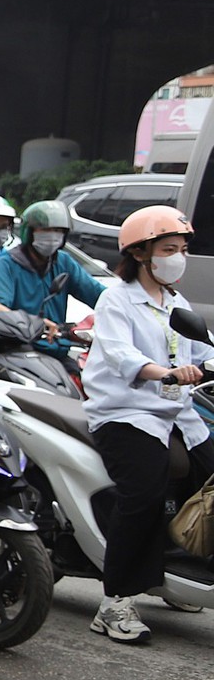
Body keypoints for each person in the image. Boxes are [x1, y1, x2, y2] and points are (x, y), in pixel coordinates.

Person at [83, 205, 213, 643]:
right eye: (169, 249)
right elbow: (121, 355)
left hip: (179, 413)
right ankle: (114, 600)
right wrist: (164, 373)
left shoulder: (177, 302)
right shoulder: (117, 299)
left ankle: (175, 572)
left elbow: (199, 353)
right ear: (141, 253)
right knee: (143, 494)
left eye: (182, 249)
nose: (178, 257)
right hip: (126, 413)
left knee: (207, 476)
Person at [0, 200, 107, 377]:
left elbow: (97, 294)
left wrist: (127, 309)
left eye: (58, 231)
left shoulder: (63, 262)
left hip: (57, 352)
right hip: (20, 353)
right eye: (45, 230)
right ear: (30, 232)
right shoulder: (7, 264)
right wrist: (34, 325)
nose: (52, 236)